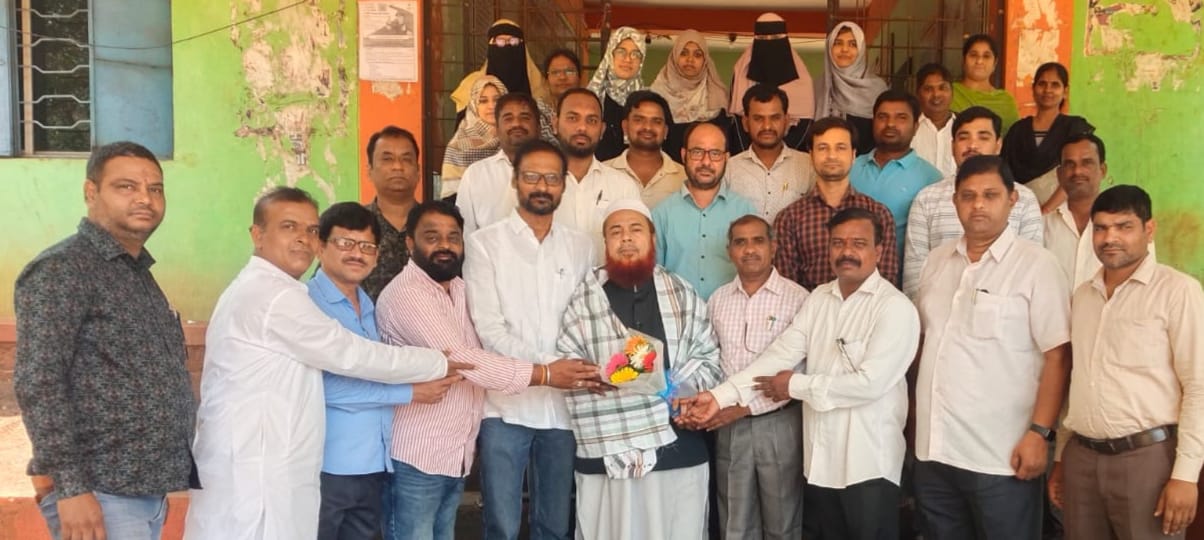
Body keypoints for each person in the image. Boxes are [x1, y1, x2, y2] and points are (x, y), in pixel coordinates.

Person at [185, 187, 464, 540]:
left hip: (305, 461)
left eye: (310, 229)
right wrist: (436, 362)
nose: (303, 239)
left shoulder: (299, 294)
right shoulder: (276, 296)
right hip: (261, 466)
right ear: (258, 235)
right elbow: (351, 354)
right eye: (289, 227)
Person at [686, 208, 920, 540]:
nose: (847, 252)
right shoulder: (820, 298)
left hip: (868, 463)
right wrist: (717, 396)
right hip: (821, 462)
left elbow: (870, 384)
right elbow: (780, 354)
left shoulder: (894, 307)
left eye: (858, 243)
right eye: (838, 243)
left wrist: (794, 385)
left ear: (879, 251)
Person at [377, 201, 602, 540]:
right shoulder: (408, 294)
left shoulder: (459, 290)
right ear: (410, 243)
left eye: (453, 237)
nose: (445, 245)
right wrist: (545, 374)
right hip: (416, 456)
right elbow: (465, 359)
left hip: (452, 453)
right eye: (432, 237)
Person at [15, 142, 195, 540]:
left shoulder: (136, 272)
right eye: (126, 187)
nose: (145, 198)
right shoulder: (63, 268)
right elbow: (39, 381)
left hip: (141, 492)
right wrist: (71, 488)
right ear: (91, 192)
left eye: (155, 188)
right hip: (98, 494)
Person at [912, 155, 1070, 540]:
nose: (978, 205)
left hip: (1001, 456)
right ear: (955, 202)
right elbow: (925, 343)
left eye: (990, 195)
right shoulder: (936, 261)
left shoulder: (1037, 265)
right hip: (934, 453)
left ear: (1012, 199)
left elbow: (1058, 356)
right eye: (967, 196)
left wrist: (1040, 433)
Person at [556, 198, 724, 540]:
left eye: (636, 229)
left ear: (652, 238)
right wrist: (623, 375)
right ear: (605, 243)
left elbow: (709, 358)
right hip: (608, 448)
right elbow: (570, 368)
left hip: (677, 443)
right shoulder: (584, 300)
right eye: (616, 232)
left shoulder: (682, 293)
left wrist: (679, 391)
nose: (626, 238)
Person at [1049, 185, 1204, 540]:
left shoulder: (1178, 291)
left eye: (1123, 227)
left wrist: (1186, 475)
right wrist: (1060, 459)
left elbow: (1198, 385)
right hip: (1082, 458)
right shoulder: (1083, 296)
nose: (1110, 238)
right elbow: (1078, 380)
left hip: (1148, 460)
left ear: (1149, 229)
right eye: (1101, 228)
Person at [463, 140, 597, 540]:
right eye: (532, 176)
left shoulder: (581, 247)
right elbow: (489, 329)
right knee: (502, 525)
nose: (542, 186)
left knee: (554, 524)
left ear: (564, 184)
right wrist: (548, 370)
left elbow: (589, 321)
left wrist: (568, 371)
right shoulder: (485, 244)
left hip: (563, 411)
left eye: (552, 178)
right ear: (515, 180)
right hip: (504, 408)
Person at [307, 202, 460, 540]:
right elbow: (325, 387)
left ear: (377, 255)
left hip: (373, 464)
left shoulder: (368, 305)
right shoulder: (309, 305)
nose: (356, 254)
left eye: (366, 246)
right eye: (345, 243)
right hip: (327, 467)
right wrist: (409, 392)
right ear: (320, 245)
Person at [700, 215, 810, 540]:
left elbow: (802, 369)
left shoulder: (798, 298)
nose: (749, 249)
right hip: (728, 425)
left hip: (780, 423)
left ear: (773, 247)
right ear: (730, 251)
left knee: (782, 522)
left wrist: (746, 406)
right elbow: (710, 360)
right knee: (734, 522)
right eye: (740, 242)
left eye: (758, 241)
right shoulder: (718, 300)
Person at [902, 106, 1043, 299]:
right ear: (952, 146)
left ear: (998, 145)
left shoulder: (1023, 198)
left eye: (983, 137)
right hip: (939, 310)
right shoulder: (927, 199)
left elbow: (1031, 268)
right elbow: (915, 275)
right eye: (964, 137)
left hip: (1003, 310)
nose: (972, 145)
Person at [773, 116, 898, 291]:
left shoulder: (878, 214)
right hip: (809, 308)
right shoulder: (789, 218)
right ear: (811, 155)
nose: (832, 156)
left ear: (853, 155)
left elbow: (886, 283)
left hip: (867, 308)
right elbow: (786, 288)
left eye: (840, 148)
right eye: (823, 148)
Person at [652, 122, 755, 300]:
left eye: (715, 153)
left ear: (727, 158)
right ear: (684, 155)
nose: (706, 162)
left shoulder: (745, 211)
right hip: (678, 312)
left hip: (732, 312)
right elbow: (653, 277)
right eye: (697, 152)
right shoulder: (661, 214)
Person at [849, 89, 943, 266]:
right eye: (882, 117)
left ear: (916, 126)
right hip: (846, 272)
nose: (890, 124)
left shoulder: (931, 178)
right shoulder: (849, 167)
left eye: (901, 117)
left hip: (900, 278)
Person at [552, 88, 643, 260]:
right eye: (573, 118)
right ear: (555, 123)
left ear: (602, 130)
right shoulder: (536, 186)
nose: (582, 127)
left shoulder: (623, 187)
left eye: (592, 120)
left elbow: (635, 252)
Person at [1001, 62, 1094, 209]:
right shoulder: (1017, 131)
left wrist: (1046, 210)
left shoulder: (1074, 128)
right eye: (1042, 84)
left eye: (1055, 85)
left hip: (1064, 210)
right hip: (1021, 210)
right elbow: (1004, 174)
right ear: (1033, 89)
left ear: (1065, 91)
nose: (1047, 90)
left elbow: (1076, 174)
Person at [455, 92, 542, 235]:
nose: (516, 124)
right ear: (496, 129)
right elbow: (465, 234)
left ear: (538, 128)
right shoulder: (475, 175)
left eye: (525, 117)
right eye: (508, 118)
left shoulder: (557, 175)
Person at [1044, 133, 1123, 290]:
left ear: (1102, 170)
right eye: (1069, 164)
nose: (1077, 171)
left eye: (1087, 163)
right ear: (1059, 174)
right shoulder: (1042, 227)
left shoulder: (1127, 227)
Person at [726, 84, 816, 222]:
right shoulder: (729, 169)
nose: (767, 126)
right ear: (745, 123)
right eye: (758, 118)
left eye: (775, 118)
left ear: (786, 121)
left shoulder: (809, 166)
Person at [727, 13, 815, 153]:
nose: (769, 42)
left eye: (775, 38)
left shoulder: (803, 82)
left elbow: (805, 127)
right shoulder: (741, 77)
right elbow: (738, 126)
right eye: (762, 39)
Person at [650, 30, 730, 162]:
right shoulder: (657, 94)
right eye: (683, 53)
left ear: (705, 60)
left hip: (707, 169)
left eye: (697, 55)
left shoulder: (718, 96)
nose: (690, 60)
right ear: (675, 56)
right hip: (663, 169)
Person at [362, 126, 422, 300]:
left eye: (406, 159)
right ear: (369, 170)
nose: (398, 167)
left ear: (418, 171)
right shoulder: (353, 226)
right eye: (387, 159)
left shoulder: (434, 226)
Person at [816, 21, 889, 156]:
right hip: (826, 163)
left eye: (853, 44)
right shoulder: (818, 88)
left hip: (868, 164)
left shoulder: (877, 89)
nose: (845, 49)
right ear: (829, 48)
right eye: (838, 43)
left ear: (861, 50)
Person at [605, 91, 688, 208]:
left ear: (665, 131)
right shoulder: (602, 173)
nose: (648, 127)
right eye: (639, 120)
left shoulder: (685, 178)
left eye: (656, 121)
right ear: (625, 126)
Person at [450, 19, 551, 114]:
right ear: (491, 46)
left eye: (513, 41)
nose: (507, 46)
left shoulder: (540, 86)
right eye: (500, 41)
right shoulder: (472, 85)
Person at [441, 76, 507, 199]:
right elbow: (451, 196)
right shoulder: (458, 146)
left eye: (497, 99)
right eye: (483, 101)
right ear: (473, 105)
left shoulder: (514, 139)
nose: (491, 106)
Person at [589, 26, 648, 161]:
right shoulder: (593, 96)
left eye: (635, 54)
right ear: (611, 54)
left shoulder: (647, 102)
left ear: (641, 61)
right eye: (621, 51)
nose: (628, 59)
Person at [950, 34, 1020, 136]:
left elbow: (1015, 139)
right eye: (973, 55)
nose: (979, 61)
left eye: (986, 56)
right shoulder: (949, 93)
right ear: (963, 61)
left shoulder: (1005, 101)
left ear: (995, 63)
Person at [910, 63, 957, 177]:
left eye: (942, 88)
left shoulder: (964, 127)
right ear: (918, 94)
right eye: (928, 89)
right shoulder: (909, 128)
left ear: (952, 92)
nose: (936, 95)